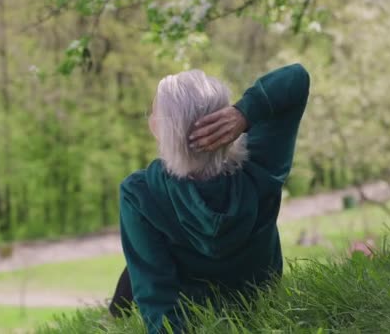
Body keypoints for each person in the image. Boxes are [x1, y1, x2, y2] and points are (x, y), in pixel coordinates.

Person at [109, 63, 310, 333]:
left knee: (144, 251)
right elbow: (296, 78)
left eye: (154, 111)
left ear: (167, 131)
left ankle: (110, 320)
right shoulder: (261, 166)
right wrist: (244, 113)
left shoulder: (141, 193)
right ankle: (111, 318)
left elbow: (156, 293)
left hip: (201, 315)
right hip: (262, 305)